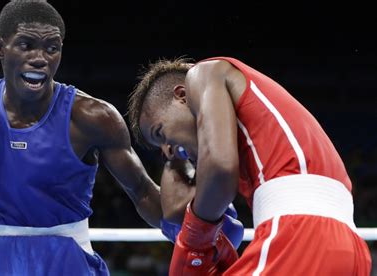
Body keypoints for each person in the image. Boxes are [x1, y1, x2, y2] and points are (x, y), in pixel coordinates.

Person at [0, 1, 169, 274]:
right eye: (26, 45)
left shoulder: (92, 117)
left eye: (51, 48)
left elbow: (142, 191)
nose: (40, 58)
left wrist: (198, 226)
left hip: (68, 262)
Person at [127, 56, 372, 275]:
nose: (168, 150)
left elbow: (220, 169)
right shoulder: (254, 146)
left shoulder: (205, 73)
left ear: (181, 95)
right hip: (349, 250)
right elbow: (175, 210)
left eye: (160, 133)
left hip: (300, 236)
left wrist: (195, 235)